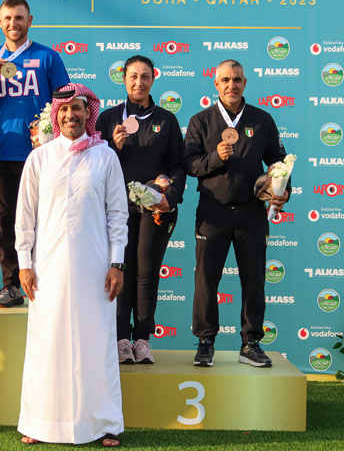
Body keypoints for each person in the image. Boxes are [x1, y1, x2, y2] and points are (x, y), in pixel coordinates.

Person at [14, 83, 128, 447]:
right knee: (46, 344)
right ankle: (38, 421)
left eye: (77, 109)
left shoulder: (105, 157)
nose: (70, 116)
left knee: (96, 345)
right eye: (64, 110)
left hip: (96, 272)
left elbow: (118, 215)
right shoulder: (40, 158)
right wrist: (24, 263)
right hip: (45, 271)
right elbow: (24, 218)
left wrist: (117, 262)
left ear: (88, 113)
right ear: (55, 115)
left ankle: (104, 423)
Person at [183, 59, 289, 368]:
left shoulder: (262, 119)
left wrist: (282, 190)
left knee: (253, 280)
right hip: (212, 213)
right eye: (226, 80)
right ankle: (205, 343)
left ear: (245, 84)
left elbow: (279, 162)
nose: (232, 85)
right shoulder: (200, 121)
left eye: (238, 79)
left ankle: (251, 343)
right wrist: (215, 157)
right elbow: (189, 164)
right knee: (205, 280)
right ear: (215, 84)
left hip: (251, 213)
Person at [0, 0, 70, 308]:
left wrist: (50, 134)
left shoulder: (47, 58)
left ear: (30, 20)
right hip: (0, 151)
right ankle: (12, 285)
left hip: (40, 154)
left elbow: (66, 101)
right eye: (7, 18)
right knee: (5, 222)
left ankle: (50, 281)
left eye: (19, 18)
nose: (13, 23)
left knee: (46, 219)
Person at [97, 55, 186, 365]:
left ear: (153, 79)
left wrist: (170, 195)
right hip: (115, 209)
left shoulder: (167, 119)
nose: (139, 82)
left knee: (147, 273)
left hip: (154, 209)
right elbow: (91, 163)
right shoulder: (108, 119)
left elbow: (179, 164)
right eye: (133, 76)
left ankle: (143, 340)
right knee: (121, 269)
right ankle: (121, 339)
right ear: (123, 78)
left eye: (145, 76)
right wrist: (112, 146)